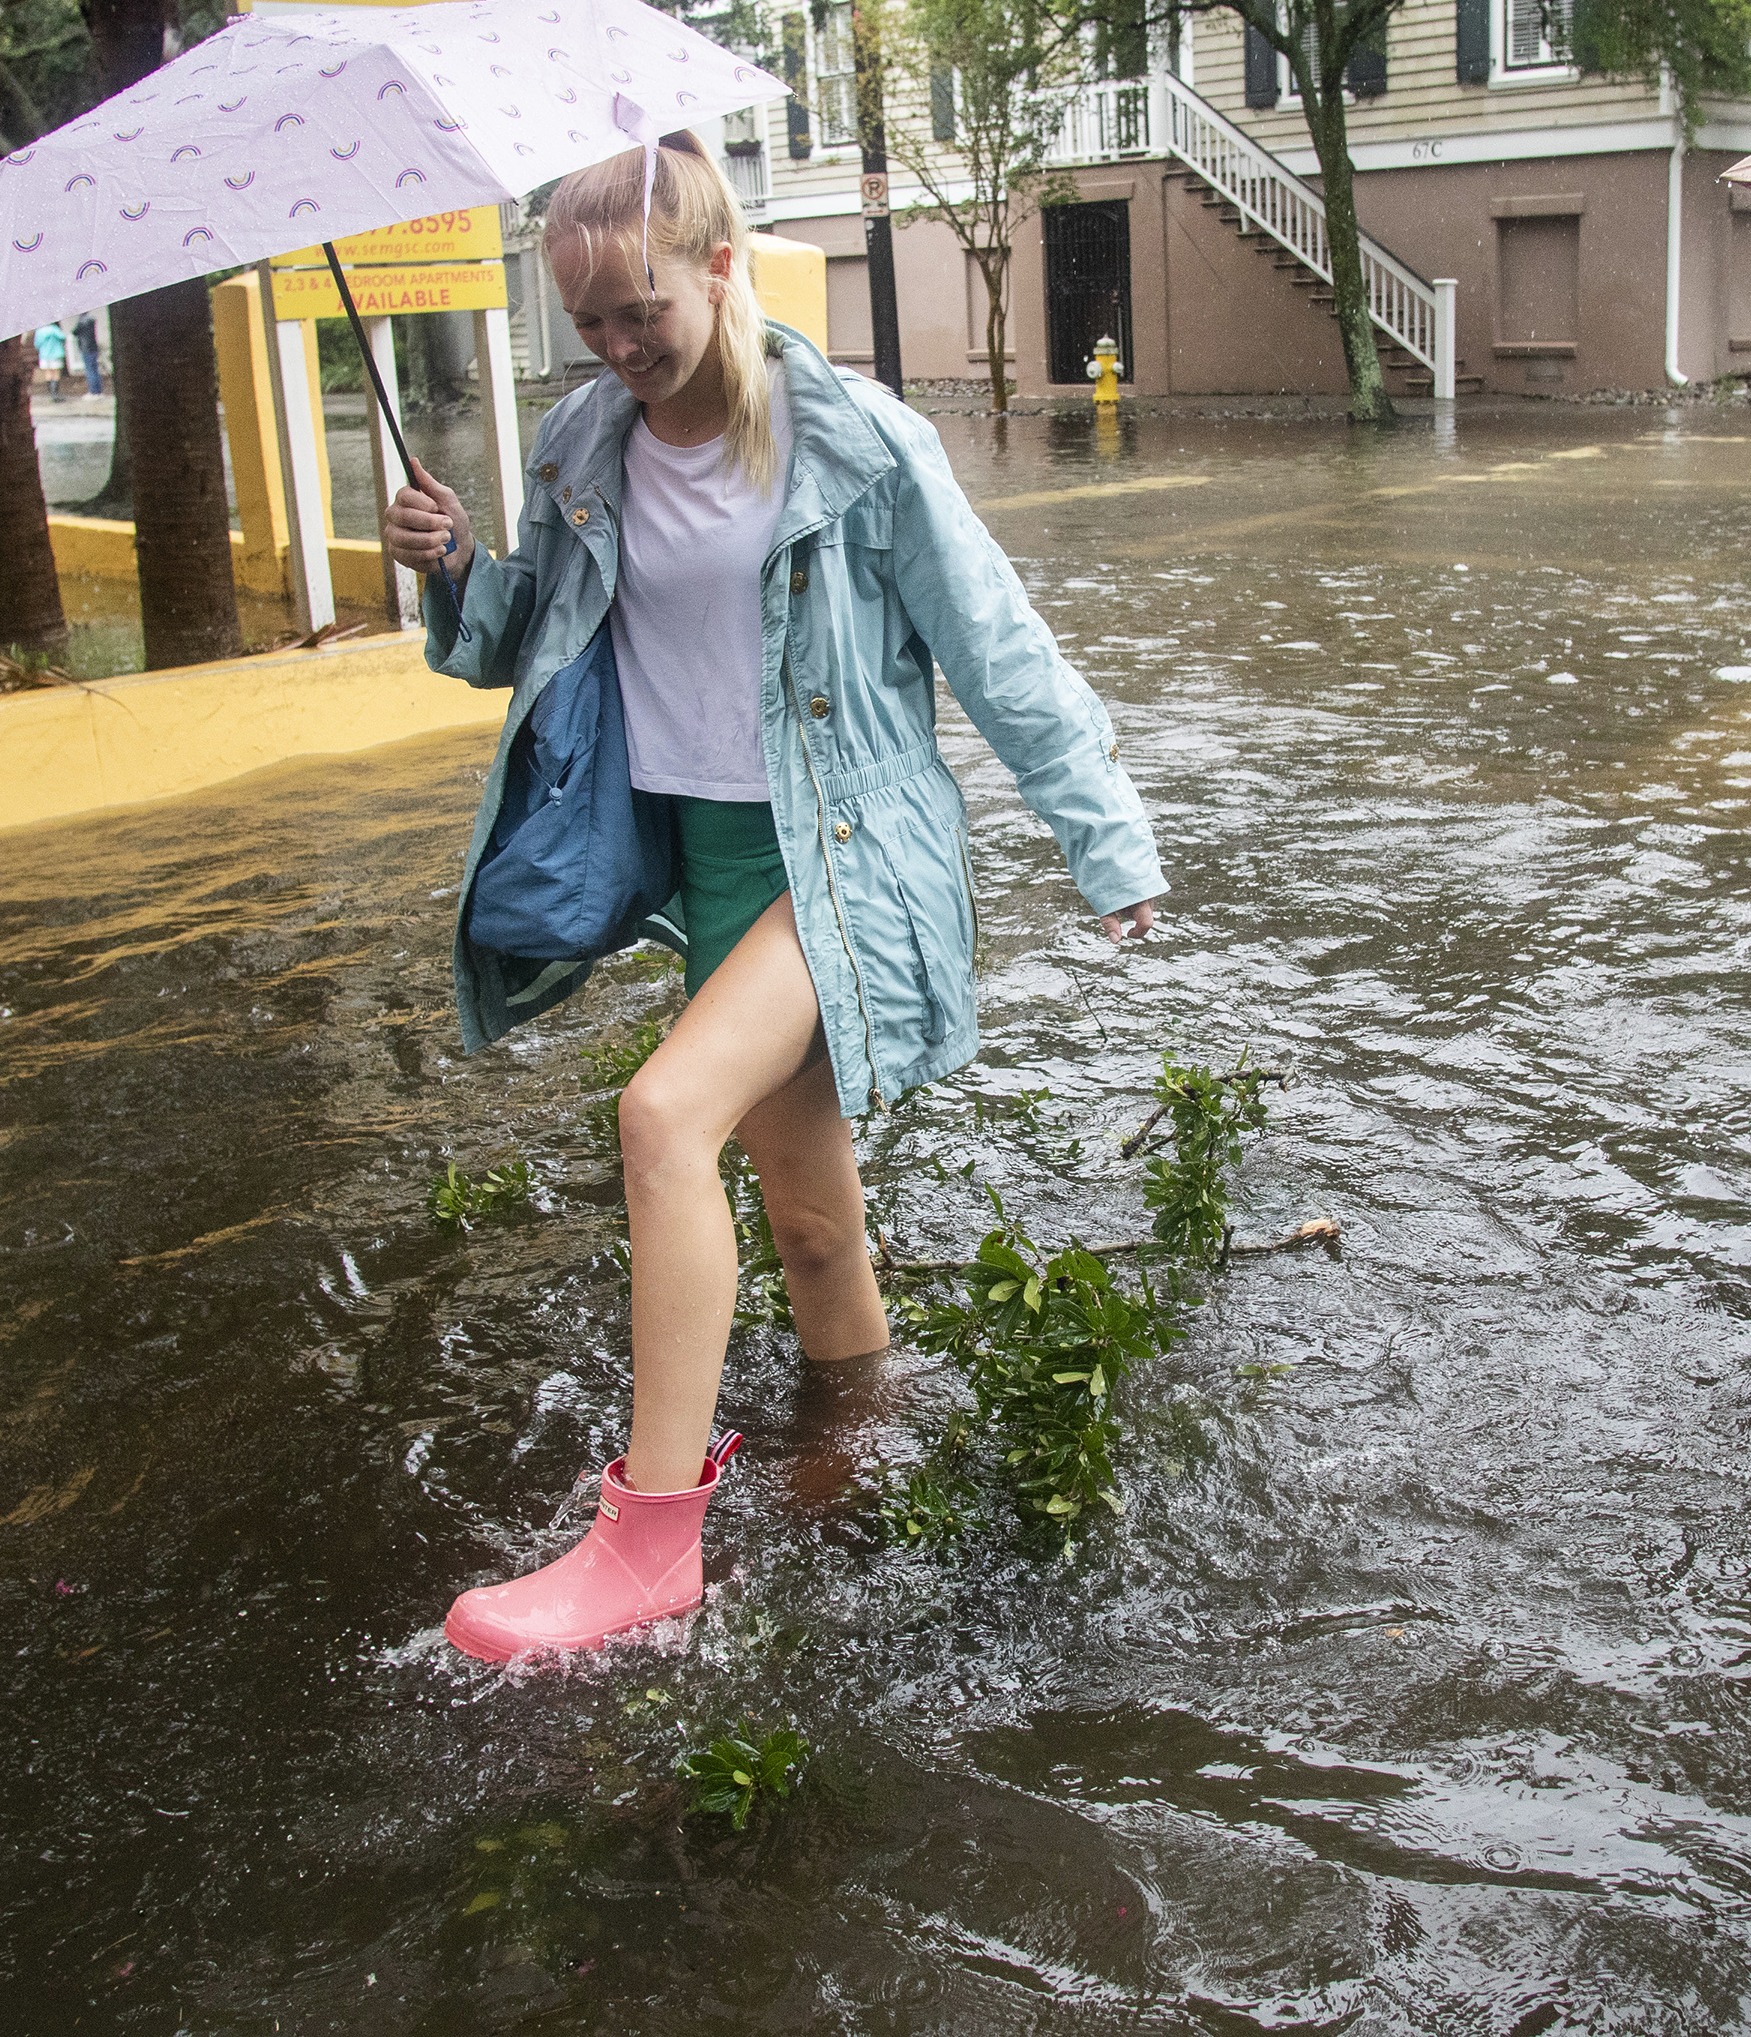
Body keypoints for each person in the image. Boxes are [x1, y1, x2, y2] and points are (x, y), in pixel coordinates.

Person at [382, 134, 1165, 1663]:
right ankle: (856, 1460)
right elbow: (524, 646)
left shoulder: (855, 442)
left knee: (661, 1120)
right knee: (809, 1225)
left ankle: (647, 1543)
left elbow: (998, 650)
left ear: (719, 270)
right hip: (718, 867)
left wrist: (1105, 839)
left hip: (851, 857)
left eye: (641, 313)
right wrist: (458, 561)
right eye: (589, 325)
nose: (617, 349)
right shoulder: (584, 449)